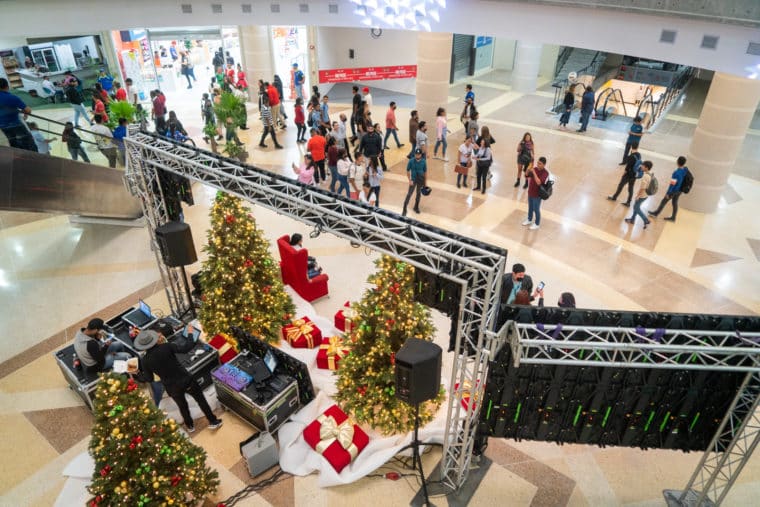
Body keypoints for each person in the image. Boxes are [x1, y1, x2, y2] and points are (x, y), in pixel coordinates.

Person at [134, 329, 223, 433]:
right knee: (201, 400)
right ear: (154, 339)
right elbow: (186, 348)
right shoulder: (167, 346)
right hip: (186, 380)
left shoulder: (145, 361)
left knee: (182, 406)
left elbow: (149, 379)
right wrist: (190, 333)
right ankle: (213, 421)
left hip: (171, 387)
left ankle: (190, 426)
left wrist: (137, 374)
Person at [0, 78, 37, 152]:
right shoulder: (12, 97)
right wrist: (25, 114)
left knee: (13, 142)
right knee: (29, 144)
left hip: (2, 126)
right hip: (15, 124)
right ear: (7, 86)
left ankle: (19, 158)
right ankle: (35, 159)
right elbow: (28, 110)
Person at [649, 156, 688, 222]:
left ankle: (656, 213)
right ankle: (673, 218)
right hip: (680, 190)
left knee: (663, 201)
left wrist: (668, 193)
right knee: (675, 203)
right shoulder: (685, 170)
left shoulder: (676, 173)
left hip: (673, 191)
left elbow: (672, 184)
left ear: (677, 162)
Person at [607, 142, 641, 206]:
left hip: (628, 175)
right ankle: (628, 202)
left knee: (620, 186)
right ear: (637, 147)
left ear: (631, 147)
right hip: (634, 175)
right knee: (630, 188)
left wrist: (623, 174)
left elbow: (627, 167)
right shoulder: (639, 155)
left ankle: (614, 197)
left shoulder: (631, 156)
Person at [522, 156, 550, 230]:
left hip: (537, 195)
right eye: (537, 163)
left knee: (536, 209)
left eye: (540, 164)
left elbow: (539, 182)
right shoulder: (535, 169)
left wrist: (533, 172)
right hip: (530, 192)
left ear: (544, 165)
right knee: (530, 208)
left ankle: (537, 224)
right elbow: (526, 176)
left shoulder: (545, 173)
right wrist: (528, 169)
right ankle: (529, 219)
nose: (538, 165)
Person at [625, 160, 653, 229]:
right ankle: (632, 219)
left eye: (643, 166)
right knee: (636, 207)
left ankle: (646, 220)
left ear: (646, 167)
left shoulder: (645, 176)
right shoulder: (650, 174)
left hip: (642, 195)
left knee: (636, 208)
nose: (641, 166)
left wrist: (638, 196)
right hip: (646, 194)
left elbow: (643, 188)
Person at [402, 148, 427, 216]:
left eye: (418, 154)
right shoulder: (411, 161)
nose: (417, 156)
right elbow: (407, 171)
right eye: (416, 154)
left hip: (420, 180)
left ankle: (416, 207)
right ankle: (404, 209)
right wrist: (410, 180)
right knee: (409, 194)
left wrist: (425, 183)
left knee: (418, 194)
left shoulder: (424, 161)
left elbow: (425, 172)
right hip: (413, 180)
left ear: (421, 155)